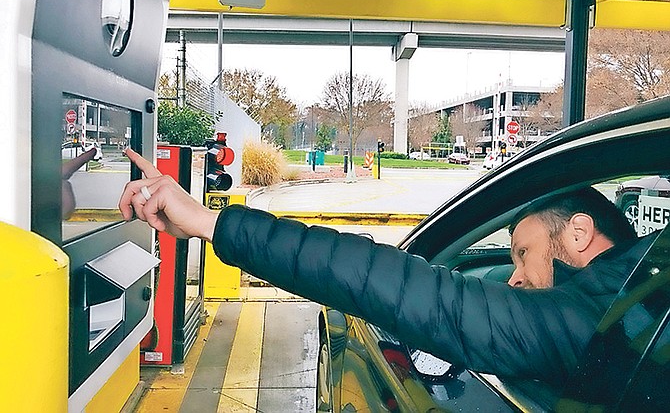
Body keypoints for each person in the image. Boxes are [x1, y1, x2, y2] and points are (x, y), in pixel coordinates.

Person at [119, 148, 644, 385]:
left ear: (578, 232)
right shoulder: (639, 300)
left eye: (523, 254)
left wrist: (213, 225)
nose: (514, 278)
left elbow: (387, 280)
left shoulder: (592, 324)